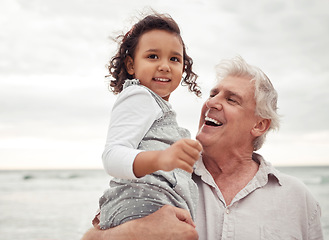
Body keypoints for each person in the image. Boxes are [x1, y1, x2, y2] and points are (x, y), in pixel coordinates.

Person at [82, 56, 323, 240]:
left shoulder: (298, 199)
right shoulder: (159, 176)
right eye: (213, 94)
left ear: (259, 125)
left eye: (231, 99)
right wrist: (136, 231)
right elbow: (90, 237)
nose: (211, 102)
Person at [92, 12, 203, 231]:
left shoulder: (155, 107)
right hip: (142, 206)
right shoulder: (139, 96)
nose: (164, 66)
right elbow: (112, 156)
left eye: (174, 58)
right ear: (131, 65)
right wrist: (162, 159)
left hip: (151, 206)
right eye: (153, 56)